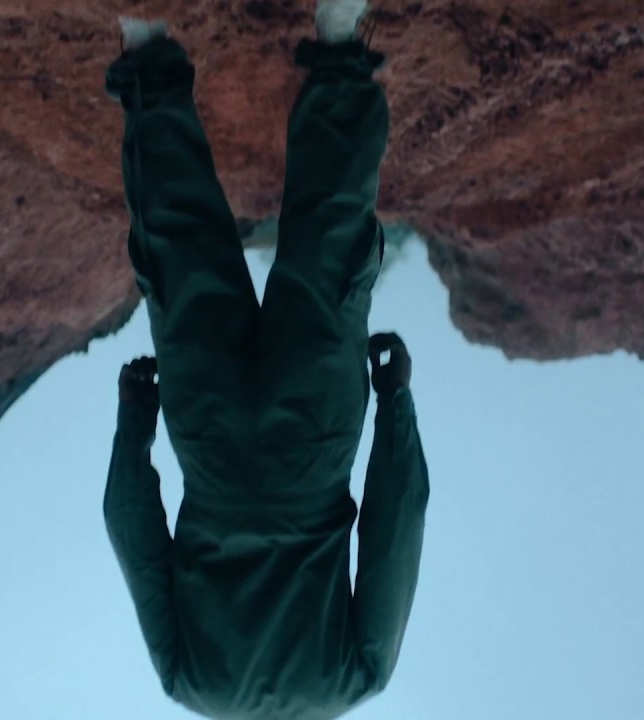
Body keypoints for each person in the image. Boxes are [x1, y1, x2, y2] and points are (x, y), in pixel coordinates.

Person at [102, 2, 430, 717]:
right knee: (181, 253)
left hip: (315, 443)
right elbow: (131, 528)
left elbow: (394, 528)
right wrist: (134, 423)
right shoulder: (190, 685)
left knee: (328, 245)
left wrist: (396, 404)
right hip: (210, 446)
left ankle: (339, 38)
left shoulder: (353, 681)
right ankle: (145, 40)